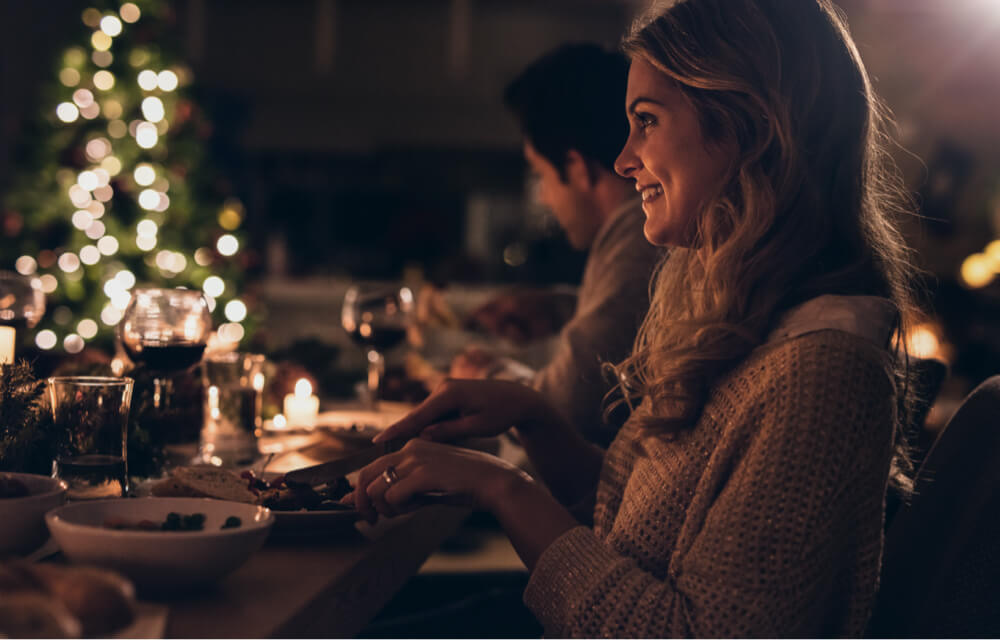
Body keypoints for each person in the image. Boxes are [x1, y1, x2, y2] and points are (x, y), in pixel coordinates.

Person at [346, 0, 919, 636]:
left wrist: (504, 488)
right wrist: (534, 420)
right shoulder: (747, 325)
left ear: (751, 127)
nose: (623, 160)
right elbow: (642, 531)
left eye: (646, 121)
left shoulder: (823, 371)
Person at [449, 43, 664, 448]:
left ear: (577, 168)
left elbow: (570, 409)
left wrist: (483, 378)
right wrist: (561, 308)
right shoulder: (632, 233)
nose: (545, 197)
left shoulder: (641, 234)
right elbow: (634, 322)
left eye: (540, 175)